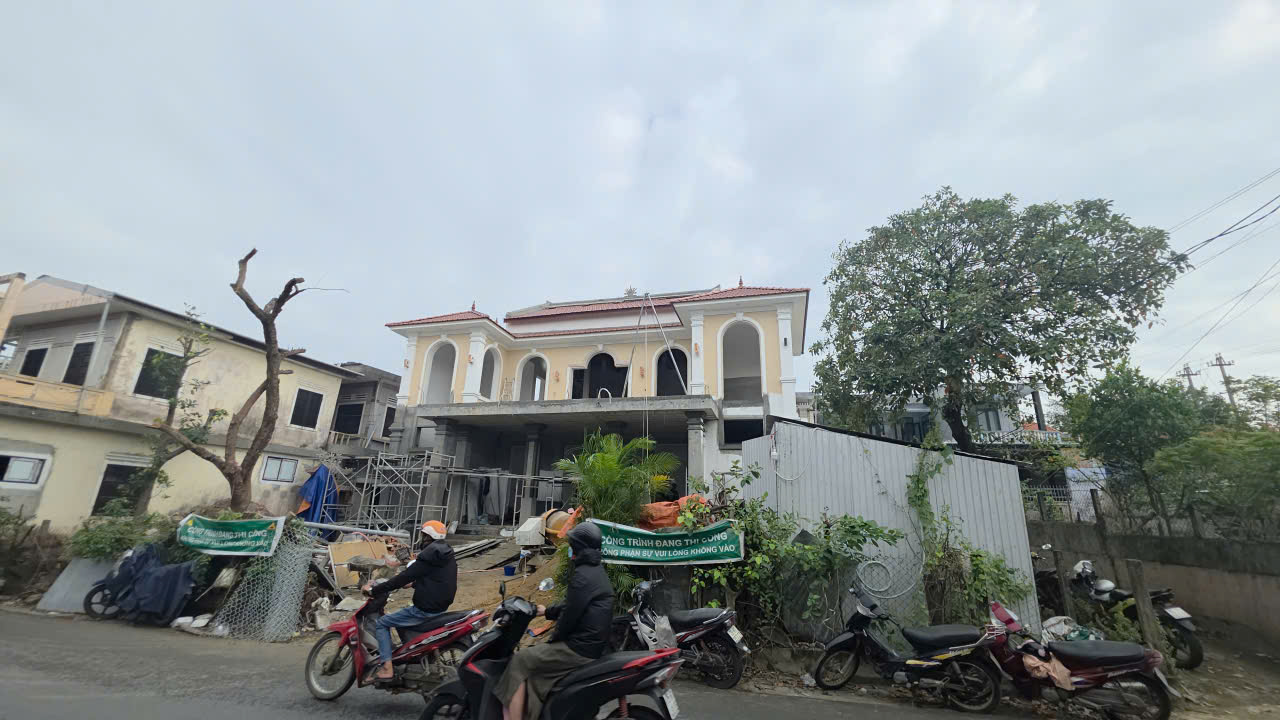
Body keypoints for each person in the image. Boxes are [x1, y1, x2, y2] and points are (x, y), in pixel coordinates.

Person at [497, 521, 613, 720]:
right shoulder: (596, 571)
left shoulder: (583, 575)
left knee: (520, 660)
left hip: (578, 648)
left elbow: (569, 618)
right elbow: (573, 604)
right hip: (591, 645)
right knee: (535, 666)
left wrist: (553, 640)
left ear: (578, 548)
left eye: (572, 545)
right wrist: (546, 611)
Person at [362, 520, 457, 680]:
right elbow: (437, 579)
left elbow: (402, 578)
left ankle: (387, 668)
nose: (421, 538)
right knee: (400, 618)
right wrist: (414, 584)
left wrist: (373, 590)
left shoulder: (428, 556)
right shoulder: (445, 554)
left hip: (425, 608)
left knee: (382, 623)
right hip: (440, 605)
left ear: (427, 536)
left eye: (423, 535)